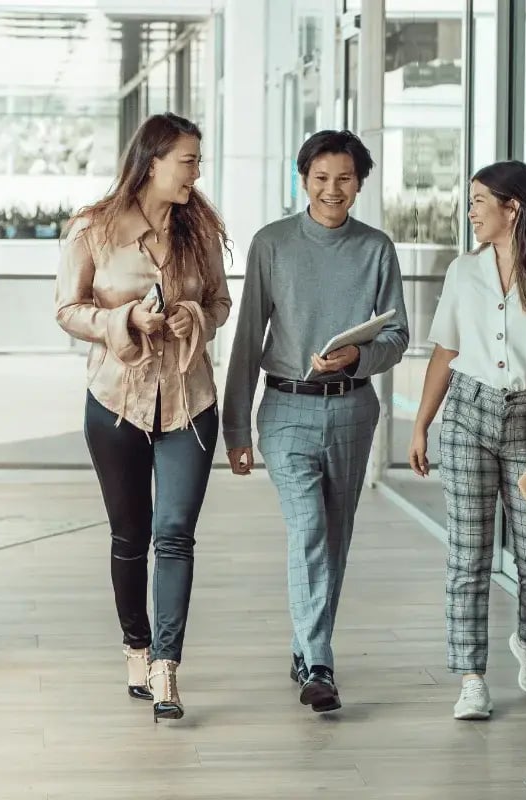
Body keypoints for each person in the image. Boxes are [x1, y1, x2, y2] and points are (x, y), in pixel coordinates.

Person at [222, 130, 409, 713]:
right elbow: (249, 336)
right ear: (303, 179)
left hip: (353, 408)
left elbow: (397, 335)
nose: (333, 190)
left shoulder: (376, 249)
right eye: (322, 178)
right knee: (308, 530)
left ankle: (307, 648)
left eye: (345, 179)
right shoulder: (272, 244)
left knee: (335, 535)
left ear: (360, 183)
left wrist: (359, 355)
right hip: (286, 408)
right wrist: (235, 430)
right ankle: (319, 662)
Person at [54, 112, 231, 721]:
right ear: (152, 160)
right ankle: (135, 645)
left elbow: (219, 301)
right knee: (130, 536)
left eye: (198, 161)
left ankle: (165, 666)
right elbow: (68, 310)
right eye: (187, 160)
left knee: (175, 534)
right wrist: (126, 320)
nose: (196, 172)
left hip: (191, 402)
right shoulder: (94, 229)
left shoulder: (200, 229)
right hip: (115, 401)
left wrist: (193, 319)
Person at [407, 161, 526, 720]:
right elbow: (445, 351)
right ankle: (471, 676)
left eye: (478, 201)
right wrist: (422, 422)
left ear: (512, 208)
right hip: (467, 416)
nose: (470, 212)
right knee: (468, 555)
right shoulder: (463, 272)